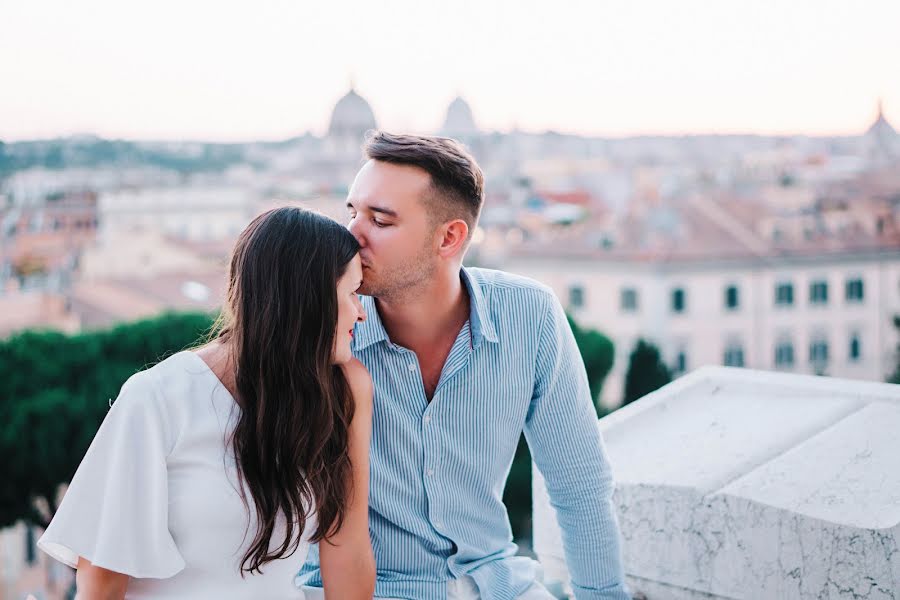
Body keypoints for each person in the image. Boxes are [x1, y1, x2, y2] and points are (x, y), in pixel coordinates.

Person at [299, 132, 630, 599]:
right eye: (352, 212)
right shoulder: (323, 330)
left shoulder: (530, 316)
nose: (351, 235)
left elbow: (580, 488)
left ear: (449, 237)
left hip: (497, 586)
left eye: (380, 220)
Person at [39, 207, 376, 599]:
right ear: (308, 300)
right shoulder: (156, 398)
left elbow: (347, 550)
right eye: (351, 293)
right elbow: (102, 582)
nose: (360, 312)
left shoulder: (344, 391)